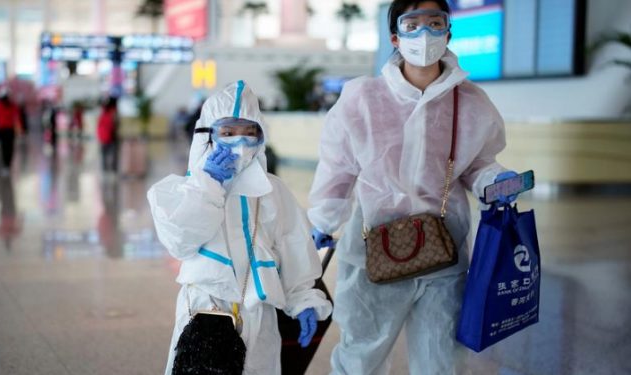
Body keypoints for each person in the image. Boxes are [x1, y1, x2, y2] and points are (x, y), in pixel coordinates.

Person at [307, 1, 520, 374]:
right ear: (395, 36)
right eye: (413, 24)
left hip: (444, 252)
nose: (425, 34)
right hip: (374, 249)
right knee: (361, 357)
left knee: (441, 360)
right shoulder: (363, 98)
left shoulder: (469, 102)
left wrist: (494, 181)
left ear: (449, 32)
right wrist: (324, 221)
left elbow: (479, 164)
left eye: (436, 23)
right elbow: (338, 167)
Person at [147, 80, 332, 374]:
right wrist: (208, 187)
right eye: (228, 132)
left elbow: (292, 246)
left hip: (260, 316)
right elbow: (181, 241)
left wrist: (302, 298)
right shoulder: (179, 191)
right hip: (205, 310)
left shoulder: (274, 192)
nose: (240, 142)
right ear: (207, 134)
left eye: (250, 133)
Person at [0, 88, 21, 175]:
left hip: (6, 129)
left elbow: (16, 117)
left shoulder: (6, 105)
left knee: (7, 147)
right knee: (7, 147)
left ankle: (7, 165)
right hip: (5, 130)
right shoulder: (0, 105)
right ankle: (6, 164)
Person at [96, 97, 119, 175]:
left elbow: (99, 126)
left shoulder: (103, 114)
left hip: (103, 138)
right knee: (112, 153)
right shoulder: (111, 115)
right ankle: (112, 168)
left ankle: (105, 169)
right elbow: (113, 127)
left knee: (104, 154)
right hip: (109, 137)